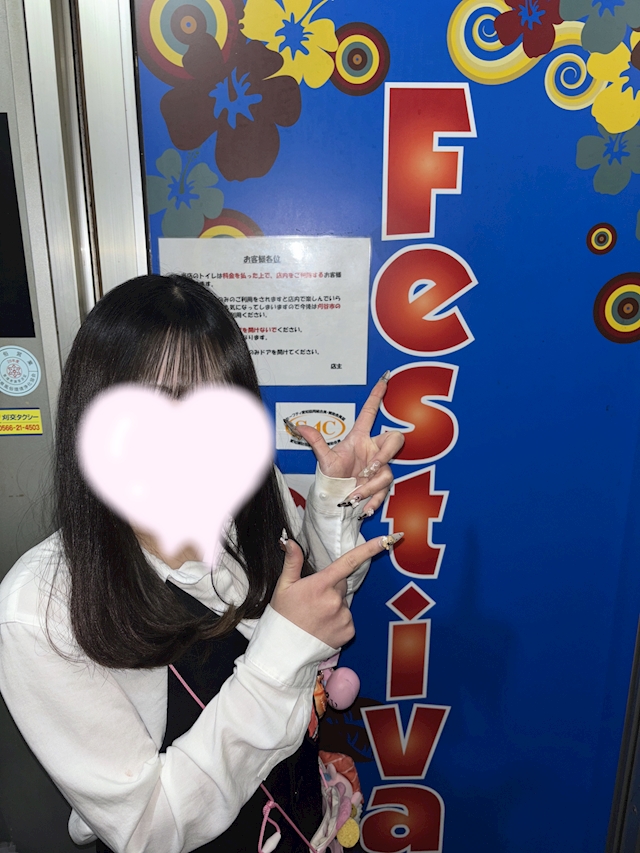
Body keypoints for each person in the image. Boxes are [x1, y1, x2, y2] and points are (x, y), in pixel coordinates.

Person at [0, 274, 404, 853]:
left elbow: (312, 606)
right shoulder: (39, 610)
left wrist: (335, 502)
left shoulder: (250, 490)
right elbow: (148, 830)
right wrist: (278, 660)